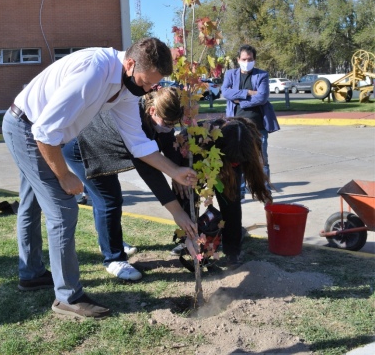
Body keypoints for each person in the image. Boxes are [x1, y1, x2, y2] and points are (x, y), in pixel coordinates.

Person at [2, 38, 198, 320]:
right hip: (27, 129)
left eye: (152, 85)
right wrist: (64, 175)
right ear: (130, 64)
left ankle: (31, 275)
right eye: (145, 83)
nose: (147, 91)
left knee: (32, 204)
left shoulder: (127, 86)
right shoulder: (93, 73)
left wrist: (174, 171)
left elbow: (137, 143)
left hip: (39, 130)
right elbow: (44, 133)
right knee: (63, 209)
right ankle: (68, 297)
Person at [62, 86, 194, 282]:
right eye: (167, 123)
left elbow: (165, 142)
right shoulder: (134, 121)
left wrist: (177, 172)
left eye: (173, 124)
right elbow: (150, 171)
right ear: (152, 111)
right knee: (109, 200)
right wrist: (177, 212)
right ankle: (113, 258)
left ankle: (108, 240)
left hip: (103, 148)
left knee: (106, 199)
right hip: (83, 149)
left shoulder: (159, 114)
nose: (169, 127)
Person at [171, 117, 272, 266]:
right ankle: (190, 240)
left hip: (227, 166)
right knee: (187, 198)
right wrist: (176, 174)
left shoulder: (249, 140)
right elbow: (176, 153)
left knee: (231, 203)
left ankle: (233, 250)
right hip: (195, 163)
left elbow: (252, 168)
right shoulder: (198, 133)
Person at [221, 44, 280, 201]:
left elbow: (262, 97)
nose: (247, 62)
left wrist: (240, 101)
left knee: (262, 160)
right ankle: (239, 191)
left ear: (254, 59)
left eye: (250, 59)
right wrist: (247, 92)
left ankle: (264, 190)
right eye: (244, 59)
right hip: (236, 126)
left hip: (258, 125)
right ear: (238, 59)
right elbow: (225, 92)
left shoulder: (262, 75)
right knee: (236, 159)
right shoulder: (230, 74)